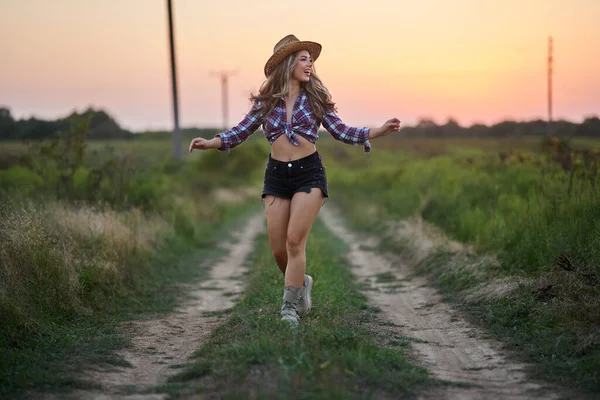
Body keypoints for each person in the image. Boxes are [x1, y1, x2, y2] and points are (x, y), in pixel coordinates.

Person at [189, 34, 401, 325]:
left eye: (311, 60)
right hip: (276, 176)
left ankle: (289, 308)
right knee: (278, 250)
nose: (310, 64)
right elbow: (241, 131)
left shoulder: (315, 99)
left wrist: (376, 131)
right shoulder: (266, 103)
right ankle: (302, 282)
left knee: (293, 242)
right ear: (287, 64)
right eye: (304, 59)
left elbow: (341, 131)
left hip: (308, 173)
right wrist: (211, 143)